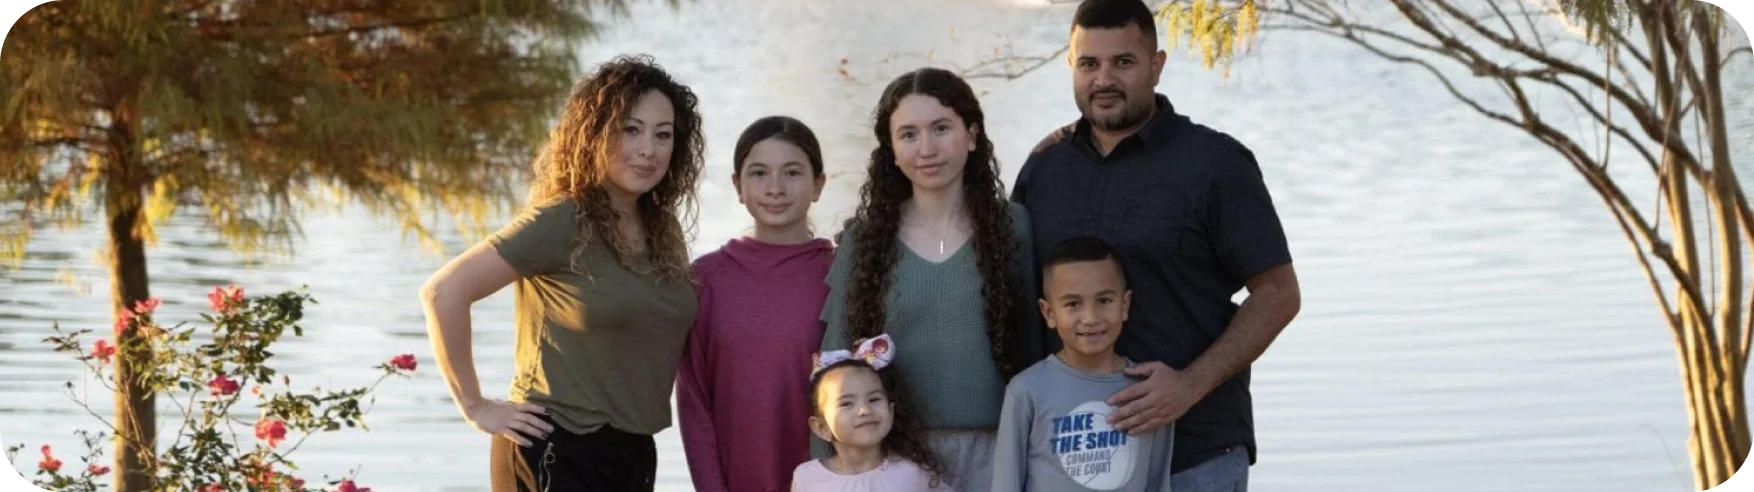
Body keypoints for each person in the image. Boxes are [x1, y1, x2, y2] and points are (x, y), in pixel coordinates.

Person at [1010, 0, 1303, 490]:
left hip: (1193, 454)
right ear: (1071, 66)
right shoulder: (1044, 166)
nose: (1104, 79)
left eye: (1123, 62)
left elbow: (1279, 294)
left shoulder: (1216, 164)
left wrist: (1189, 384)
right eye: (1089, 64)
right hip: (1075, 459)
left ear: (1156, 65)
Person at [418, 54, 705, 492]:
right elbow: (444, 293)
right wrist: (475, 406)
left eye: (662, 134)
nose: (648, 148)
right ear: (594, 133)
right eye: (630, 129)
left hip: (632, 454)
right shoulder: (561, 220)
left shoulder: (663, 228)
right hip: (554, 447)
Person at [817, 66, 1048, 491]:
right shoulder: (865, 241)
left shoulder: (1013, 228)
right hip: (894, 458)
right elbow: (834, 370)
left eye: (941, 128)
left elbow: (1037, 350)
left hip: (1000, 452)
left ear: (972, 135)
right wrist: (826, 474)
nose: (927, 149)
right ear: (890, 149)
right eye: (908, 134)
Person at [679, 115, 836, 492]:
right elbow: (694, 404)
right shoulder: (705, 279)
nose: (775, 188)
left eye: (792, 173)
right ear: (737, 186)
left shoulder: (842, 274)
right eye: (759, 173)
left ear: (818, 185)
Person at [992, 236, 1175, 492]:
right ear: (1049, 313)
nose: (1090, 318)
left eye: (1104, 301)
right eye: (1073, 304)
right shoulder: (1026, 391)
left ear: (1124, 305)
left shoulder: (1149, 392)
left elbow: (1157, 483)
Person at [792, 335, 951, 492]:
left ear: (890, 412)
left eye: (874, 399)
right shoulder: (808, 478)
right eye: (846, 403)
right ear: (822, 428)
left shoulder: (912, 474)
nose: (864, 410)